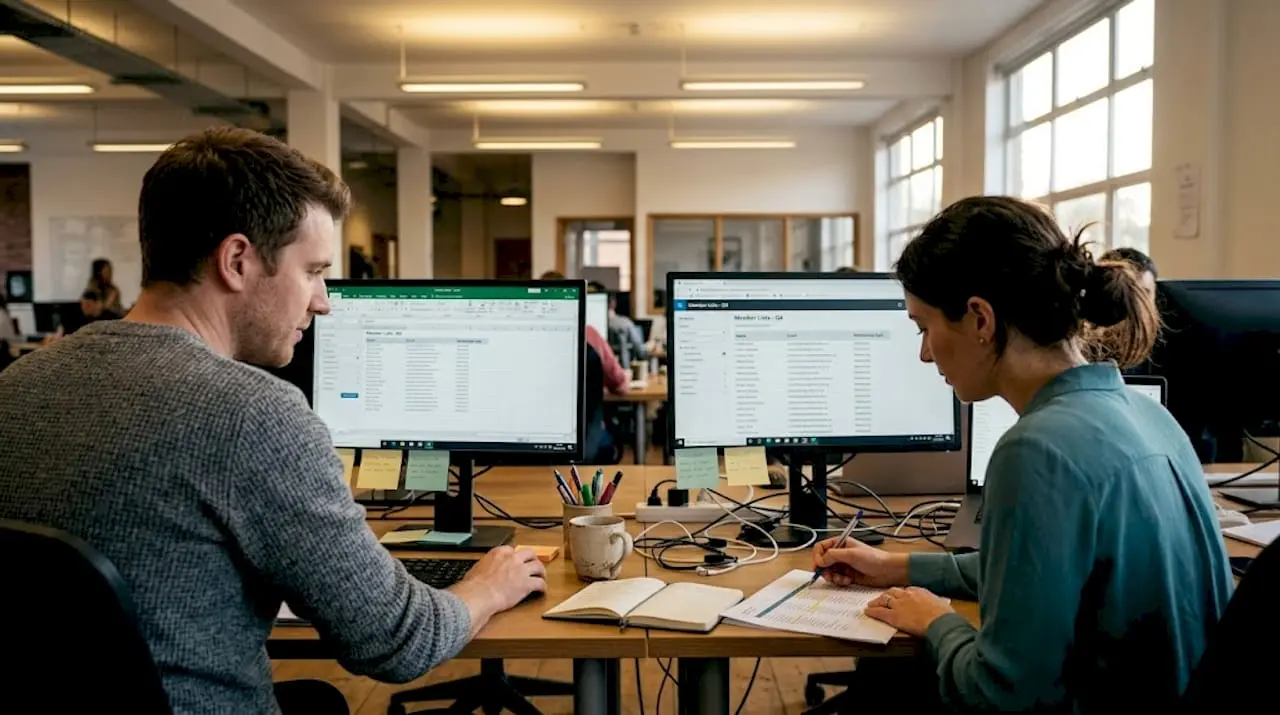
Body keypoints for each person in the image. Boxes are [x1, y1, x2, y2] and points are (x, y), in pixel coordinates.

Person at [0, 127, 546, 715]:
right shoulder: (252, 414)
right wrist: (488, 588)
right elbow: (395, 640)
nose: (323, 300)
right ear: (237, 260)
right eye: (312, 270)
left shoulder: (15, 385)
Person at [812, 196, 1232, 712]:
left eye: (924, 328)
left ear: (979, 318)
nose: (924, 353)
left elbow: (999, 694)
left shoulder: (1035, 451)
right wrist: (895, 566)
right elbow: (1036, 575)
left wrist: (936, 622)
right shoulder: (1149, 417)